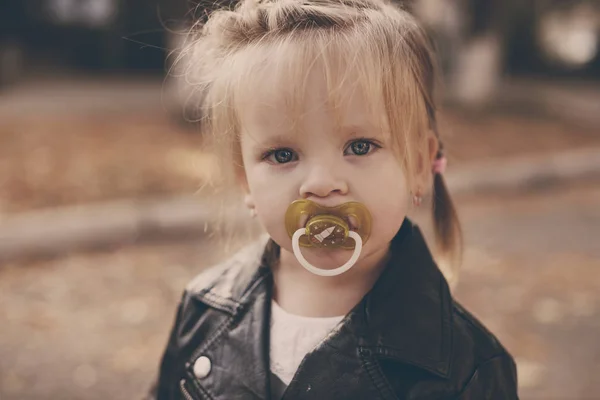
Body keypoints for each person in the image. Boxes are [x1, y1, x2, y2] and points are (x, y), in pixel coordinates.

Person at [149, 0, 519, 398]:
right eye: (283, 155)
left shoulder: (467, 366)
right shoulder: (205, 310)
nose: (322, 184)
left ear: (418, 164)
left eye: (360, 146)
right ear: (245, 182)